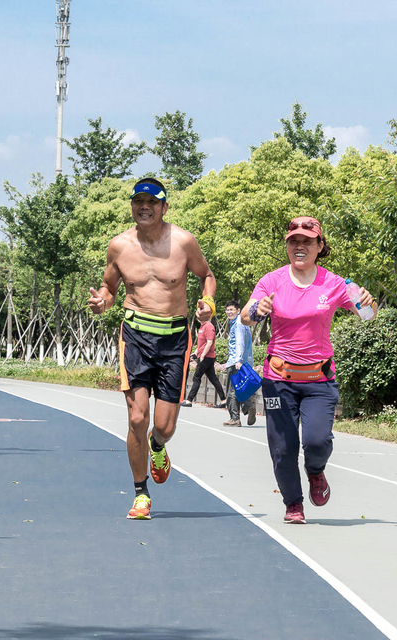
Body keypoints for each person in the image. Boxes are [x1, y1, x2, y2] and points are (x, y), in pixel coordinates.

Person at [88, 177, 216, 520]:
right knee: (136, 418)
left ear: (164, 207)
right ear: (132, 205)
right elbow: (109, 287)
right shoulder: (119, 246)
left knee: (164, 427)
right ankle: (141, 493)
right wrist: (102, 302)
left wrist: (208, 303)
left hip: (174, 339)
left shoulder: (184, 242)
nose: (144, 207)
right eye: (138, 201)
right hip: (136, 337)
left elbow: (206, 275)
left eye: (152, 202)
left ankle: (157, 445)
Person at [241, 216, 376, 524]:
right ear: (287, 246)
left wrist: (369, 302)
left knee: (316, 442)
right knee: (283, 448)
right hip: (278, 380)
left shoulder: (335, 283)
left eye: (307, 241)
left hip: (319, 380)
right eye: (294, 241)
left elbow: (367, 314)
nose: (299, 246)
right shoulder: (272, 281)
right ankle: (293, 504)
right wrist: (258, 309)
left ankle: (315, 471)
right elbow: (247, 316)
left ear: (319, 246)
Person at [223, 300, 256, 427]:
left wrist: (238, 360)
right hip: (244, 362)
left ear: (238, 310)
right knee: (239, 388)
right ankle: (249, 406)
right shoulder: (243, 323)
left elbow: (240, 342)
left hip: (236, 362)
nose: (229, 312)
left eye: (232, 309)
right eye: (227, 310)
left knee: (232, 391)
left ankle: (235, 419)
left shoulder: (238, 324)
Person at [180, 316, 226, 408]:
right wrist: (195, 353)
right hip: (205, 356)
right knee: (213, 378)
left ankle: (189, 400)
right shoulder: (202, 326)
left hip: (206, 357)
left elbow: (209, 342)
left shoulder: (209, 326)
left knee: (196, 377)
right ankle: (223, 400)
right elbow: (202, 344)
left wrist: (202, 355)